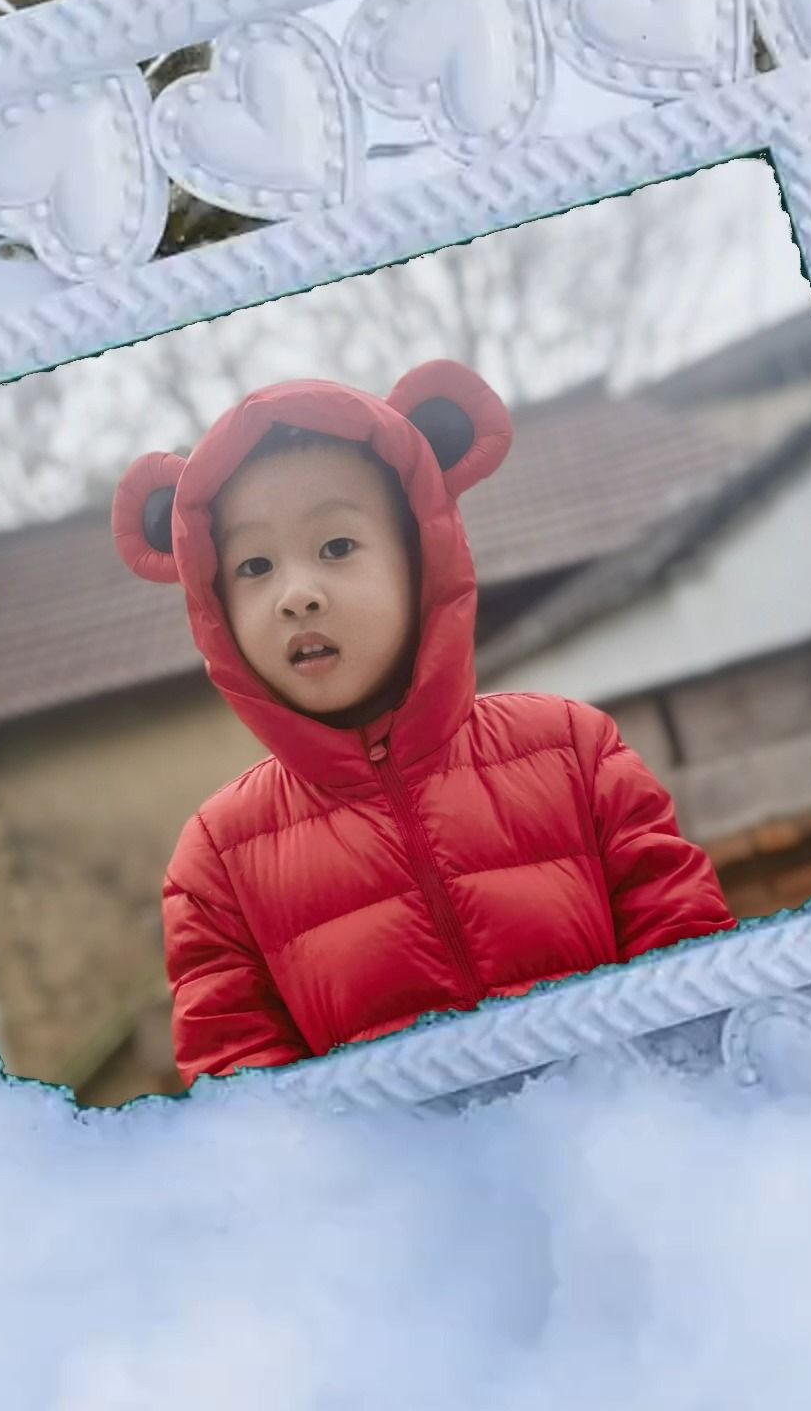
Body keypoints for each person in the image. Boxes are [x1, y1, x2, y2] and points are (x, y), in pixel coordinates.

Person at [111, 359, 735, 1079]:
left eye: (337, 547)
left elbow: (694, 976)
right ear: (214, 607)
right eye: (254, 567)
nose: (297, 595)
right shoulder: (216, 863)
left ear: (420, 557)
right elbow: (254, 1120)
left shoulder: (572, 750)